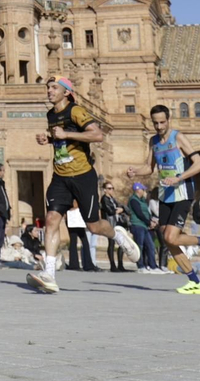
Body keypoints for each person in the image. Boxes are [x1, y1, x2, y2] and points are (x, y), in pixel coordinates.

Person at [27, 78, 140, 295]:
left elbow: (97, 134)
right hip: (60, 177)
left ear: (66, 92)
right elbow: (61, 139)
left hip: (82, 176)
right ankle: (49, 274)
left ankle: (118, 235)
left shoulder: (75, 111)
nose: (49, 91)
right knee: (51, 219)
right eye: (48, 88)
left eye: (54, 88)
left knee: (94, 226)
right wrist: (49, 140)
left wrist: (66, 134)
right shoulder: (51, 114)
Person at [125, 104, 200, 295]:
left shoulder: (178, 138)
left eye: (162, 122)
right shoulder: (153, 141)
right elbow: (149, 167)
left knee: (171, 237)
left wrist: (179, 177)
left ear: (168, 119)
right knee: (168, 240)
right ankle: (194, 282)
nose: (159, 126)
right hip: (166, 194)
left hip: (182, 192)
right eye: (155, 123)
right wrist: (135, 172)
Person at [127, 183, 157, 272]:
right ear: (138, 190)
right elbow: (139, 213)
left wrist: (151, 221)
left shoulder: (143, 200)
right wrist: (149, 222)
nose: (145, 192)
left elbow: (146, 213)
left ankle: (153, 266)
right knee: (139, 246)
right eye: (143, 190)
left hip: (144, 226)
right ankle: (140, 266)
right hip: (137, 225)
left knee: (150, 246)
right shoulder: (133, 200)